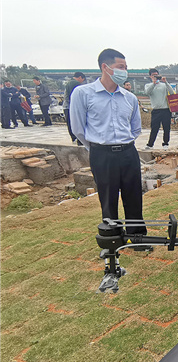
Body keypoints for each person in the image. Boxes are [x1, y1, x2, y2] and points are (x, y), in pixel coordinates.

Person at [70, 48, 146, 236]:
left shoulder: (129, 98)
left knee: (134, 195)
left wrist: (123, 144)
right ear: (105, 67)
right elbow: (78, 128)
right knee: (108, 197)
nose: (124, 71)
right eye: (120, 67)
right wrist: (97, 147)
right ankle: (112, 236)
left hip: (128, 152)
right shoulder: (83, 93)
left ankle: (137, 236)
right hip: (102, 154)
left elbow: (135, 128)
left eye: (126, 67)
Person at [145, 68, 173, 150]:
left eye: (157, 75)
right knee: (154, 128)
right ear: (150, 76)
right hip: (156, 110)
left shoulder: (164, 85)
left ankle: (165, 143)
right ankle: (150, 144)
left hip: (166, 110)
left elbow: (172, 92)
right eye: (153, 75)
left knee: (166, 128)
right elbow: (147, 92)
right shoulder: (148, 85)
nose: (155, 77)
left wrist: (166, 82)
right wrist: (154, 83)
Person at [63, 72, 86, 143]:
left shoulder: (69, 82)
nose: (82, 82)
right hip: (72, 106)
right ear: (80, 77)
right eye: (83, 80)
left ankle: (73, 138)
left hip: (66, 106)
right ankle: (78, 139)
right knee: (77, 123)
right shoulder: (75, 83)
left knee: (70, 123)